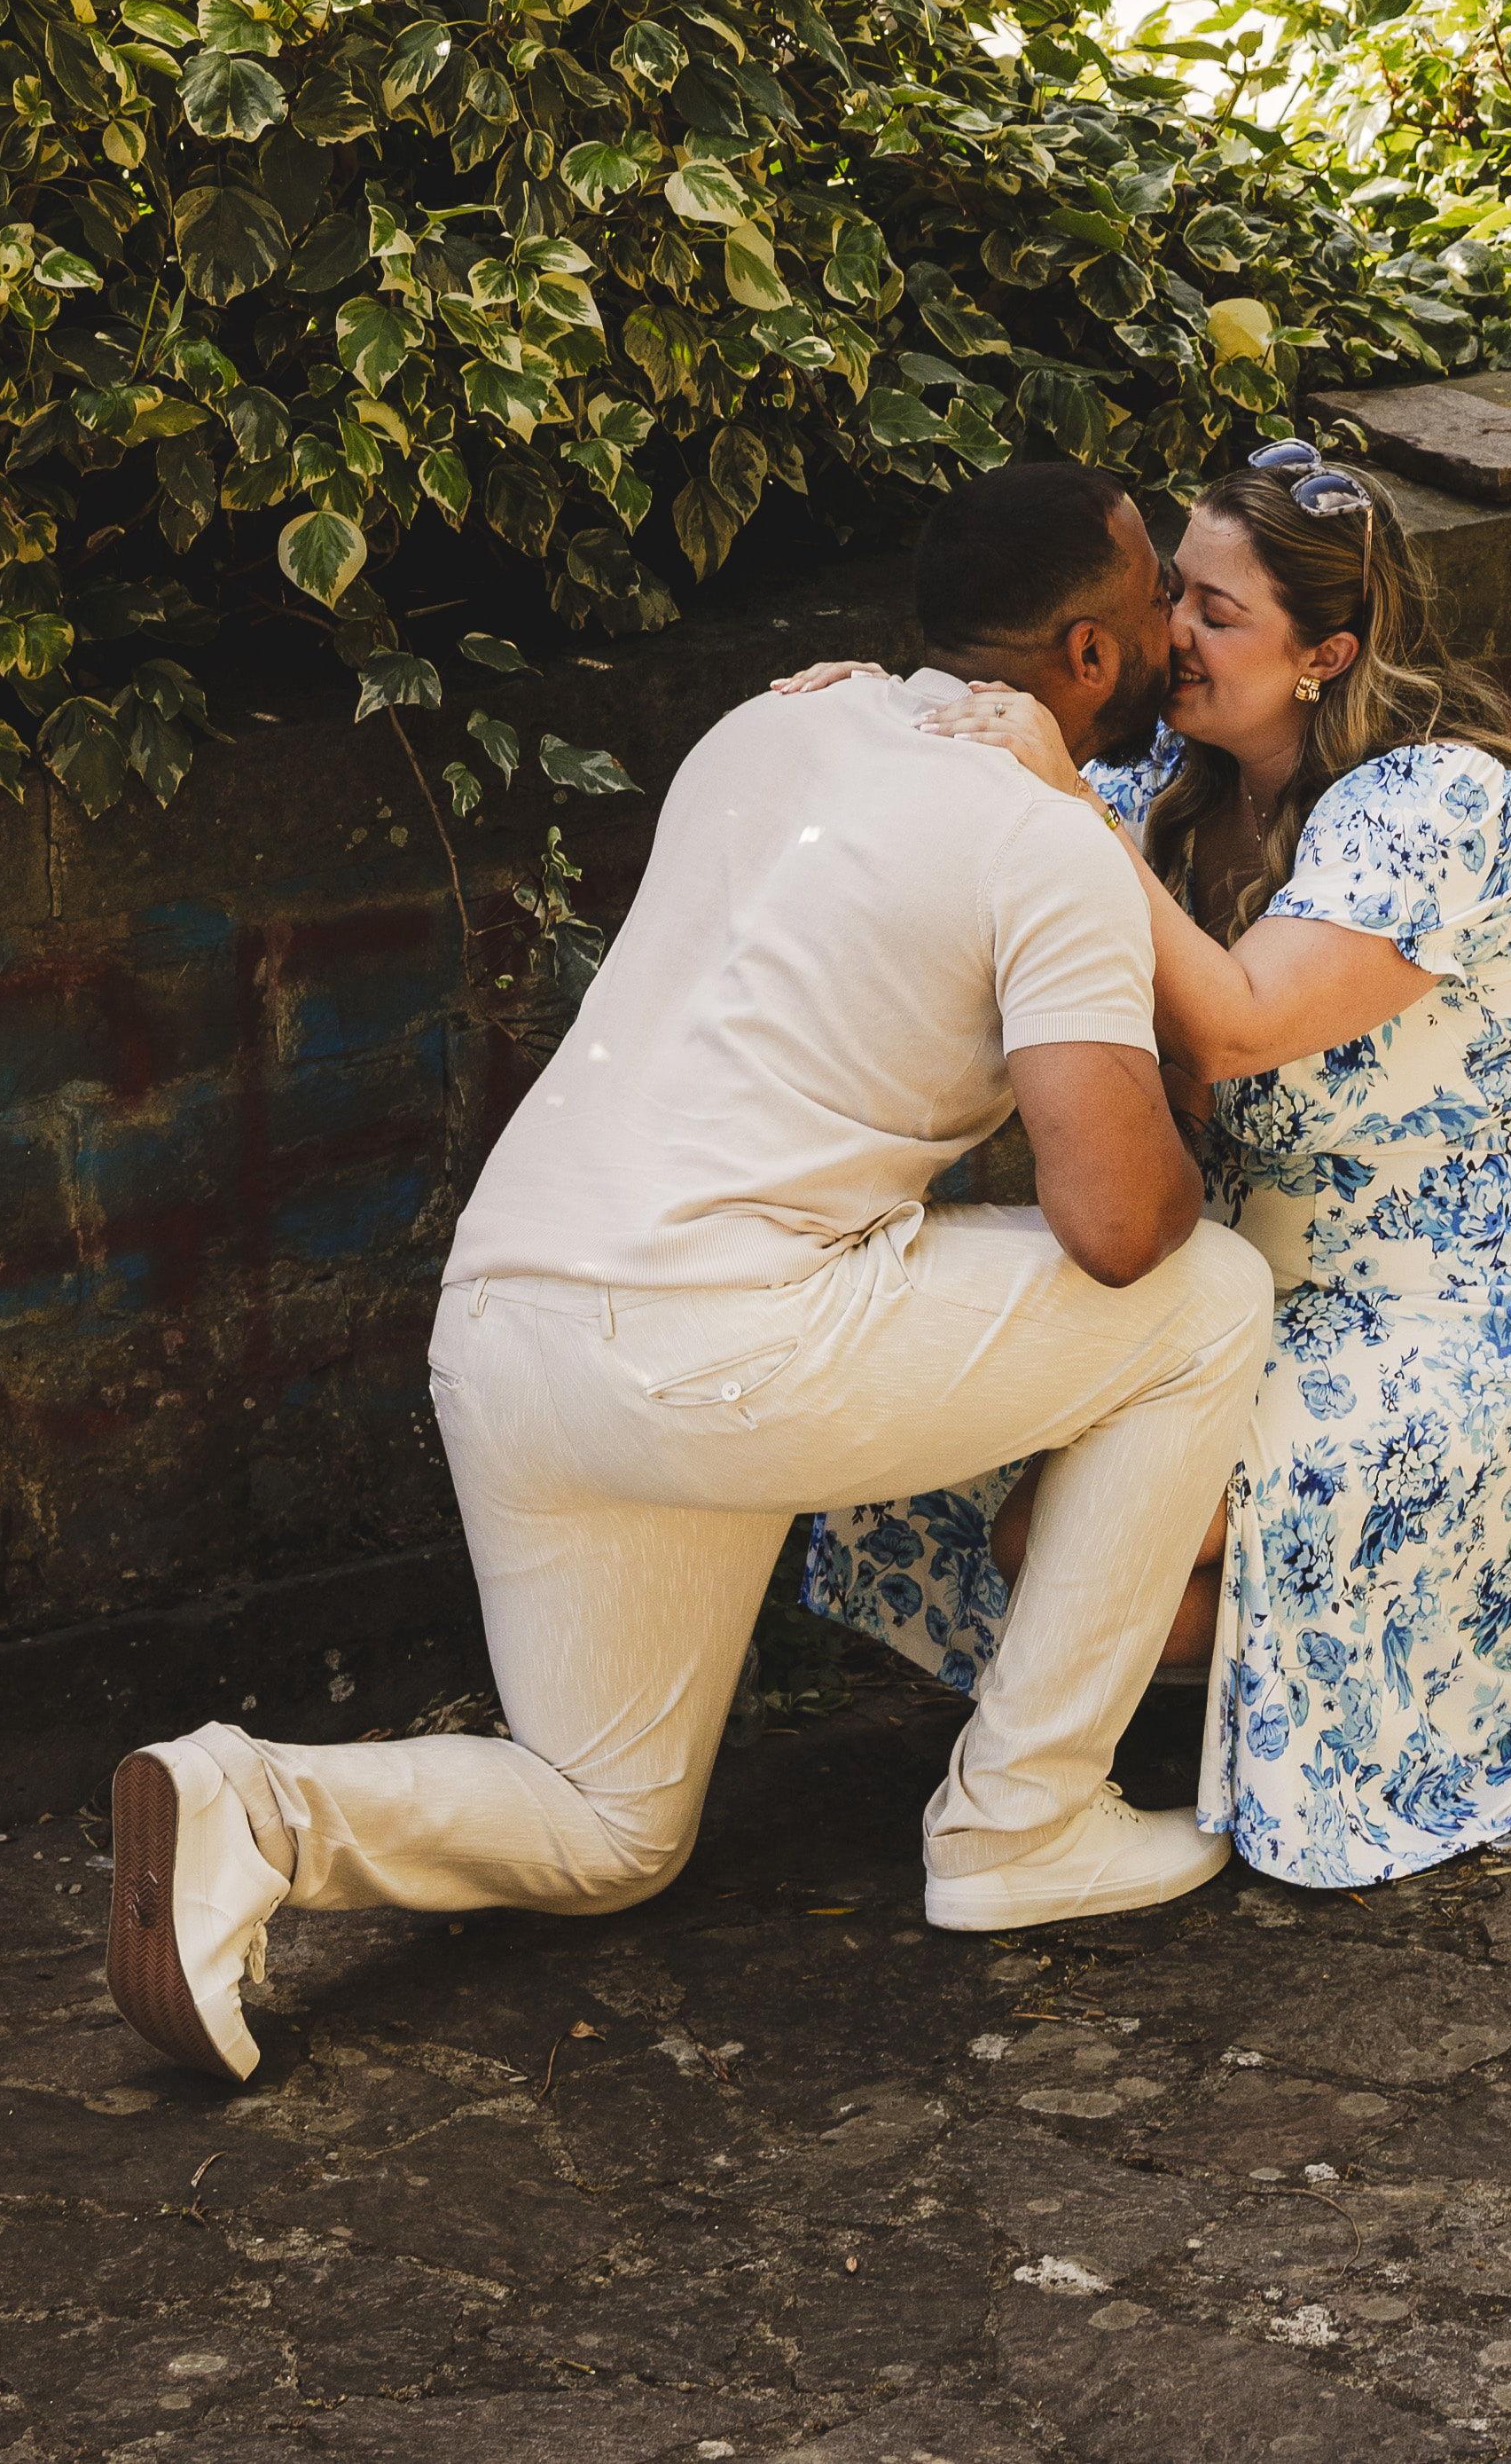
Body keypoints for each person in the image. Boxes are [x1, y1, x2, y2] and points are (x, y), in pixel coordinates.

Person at [103, 464, 1272, 2083]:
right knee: (1206, 1293)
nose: (1172, 629)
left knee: (609, 1826)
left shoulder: (767, 729)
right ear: (1085, 656)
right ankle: (1024, 1816)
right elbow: (1121, 1229)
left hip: (508, 1336)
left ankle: (259, 1802)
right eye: (1156, 601)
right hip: (714, 1353)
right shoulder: (1041, 839)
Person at [802, 438, 1511, 1890]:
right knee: (986, 1493)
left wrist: (1065, 809)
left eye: (1217, 613)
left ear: (1326, 652)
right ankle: (1113, 1733)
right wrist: (861, 724)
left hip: (1475, 1302)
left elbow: (1241, 1025)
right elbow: (978, 806)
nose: (1168, 632)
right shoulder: (1161, 794)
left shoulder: (1431, 802)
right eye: (1172, 591)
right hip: (1257, 1281)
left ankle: (1261, 1692)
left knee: (1085, 1541)